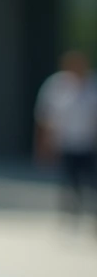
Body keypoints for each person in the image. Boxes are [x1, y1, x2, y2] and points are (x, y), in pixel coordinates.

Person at [35, 50, 97, 222]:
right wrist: (43, 145)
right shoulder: (56, 86)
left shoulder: (93, 86)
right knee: (70, 182)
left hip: (89, 144)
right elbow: (45, 118)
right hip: (66, 143)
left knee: (92, 183)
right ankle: (72, 214)